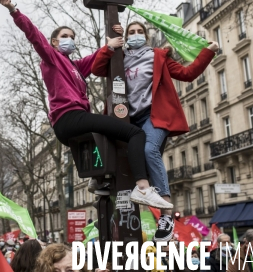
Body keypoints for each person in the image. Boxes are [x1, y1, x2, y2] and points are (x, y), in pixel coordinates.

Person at [0, 0, 171, 209]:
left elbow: (95, 59)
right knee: (134, 133)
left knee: (108, 136)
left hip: (70, 124)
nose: (70, 39)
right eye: (64, 36)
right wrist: (14, 11)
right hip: (70, 117)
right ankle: (143, 187)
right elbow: (34, 36)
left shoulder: (75, 67)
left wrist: (109, 46)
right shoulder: (51, 58)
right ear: (54, 42)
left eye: (72, 36)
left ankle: (97, 181)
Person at [91, 21, 218, 240]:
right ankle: (105, 182)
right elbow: (96, 69)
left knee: (150, 150)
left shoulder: (158, 56)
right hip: (129, 119)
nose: (136, 35)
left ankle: (166, 214)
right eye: (132, 32)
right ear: (126, 37)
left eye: (140, 32)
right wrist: (111, 46)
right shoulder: (119, 58)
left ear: (147, 37)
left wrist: (209, 52)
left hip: (154, 116)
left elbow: (187, 74)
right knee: (116, 150)